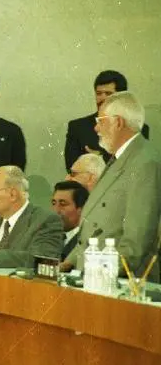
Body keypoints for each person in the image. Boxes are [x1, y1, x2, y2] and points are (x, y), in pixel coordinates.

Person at [63, 91, 161, 281]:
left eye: (100, 121)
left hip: (117, 282)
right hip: (94, 276)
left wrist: (98, 276)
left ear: (118, 122)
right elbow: (98, 224)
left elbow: (137, 241)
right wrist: (70, 262)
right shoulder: (120, 158)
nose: (96, 128)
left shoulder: (145, 163)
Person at [64, 70, 150, 170]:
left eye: (108, 94)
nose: (102, 98)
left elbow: (139, 165)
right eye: (98, 93)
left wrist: (101, 158)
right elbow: (72, 169)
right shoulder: (78, 127)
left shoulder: (137, 127)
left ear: (121, 97)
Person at [51, 181, 89, 261]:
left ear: (81, 209)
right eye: (54, 203)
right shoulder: (48, 237)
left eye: (63, 204)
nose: (55, 210)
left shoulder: (88, 242)